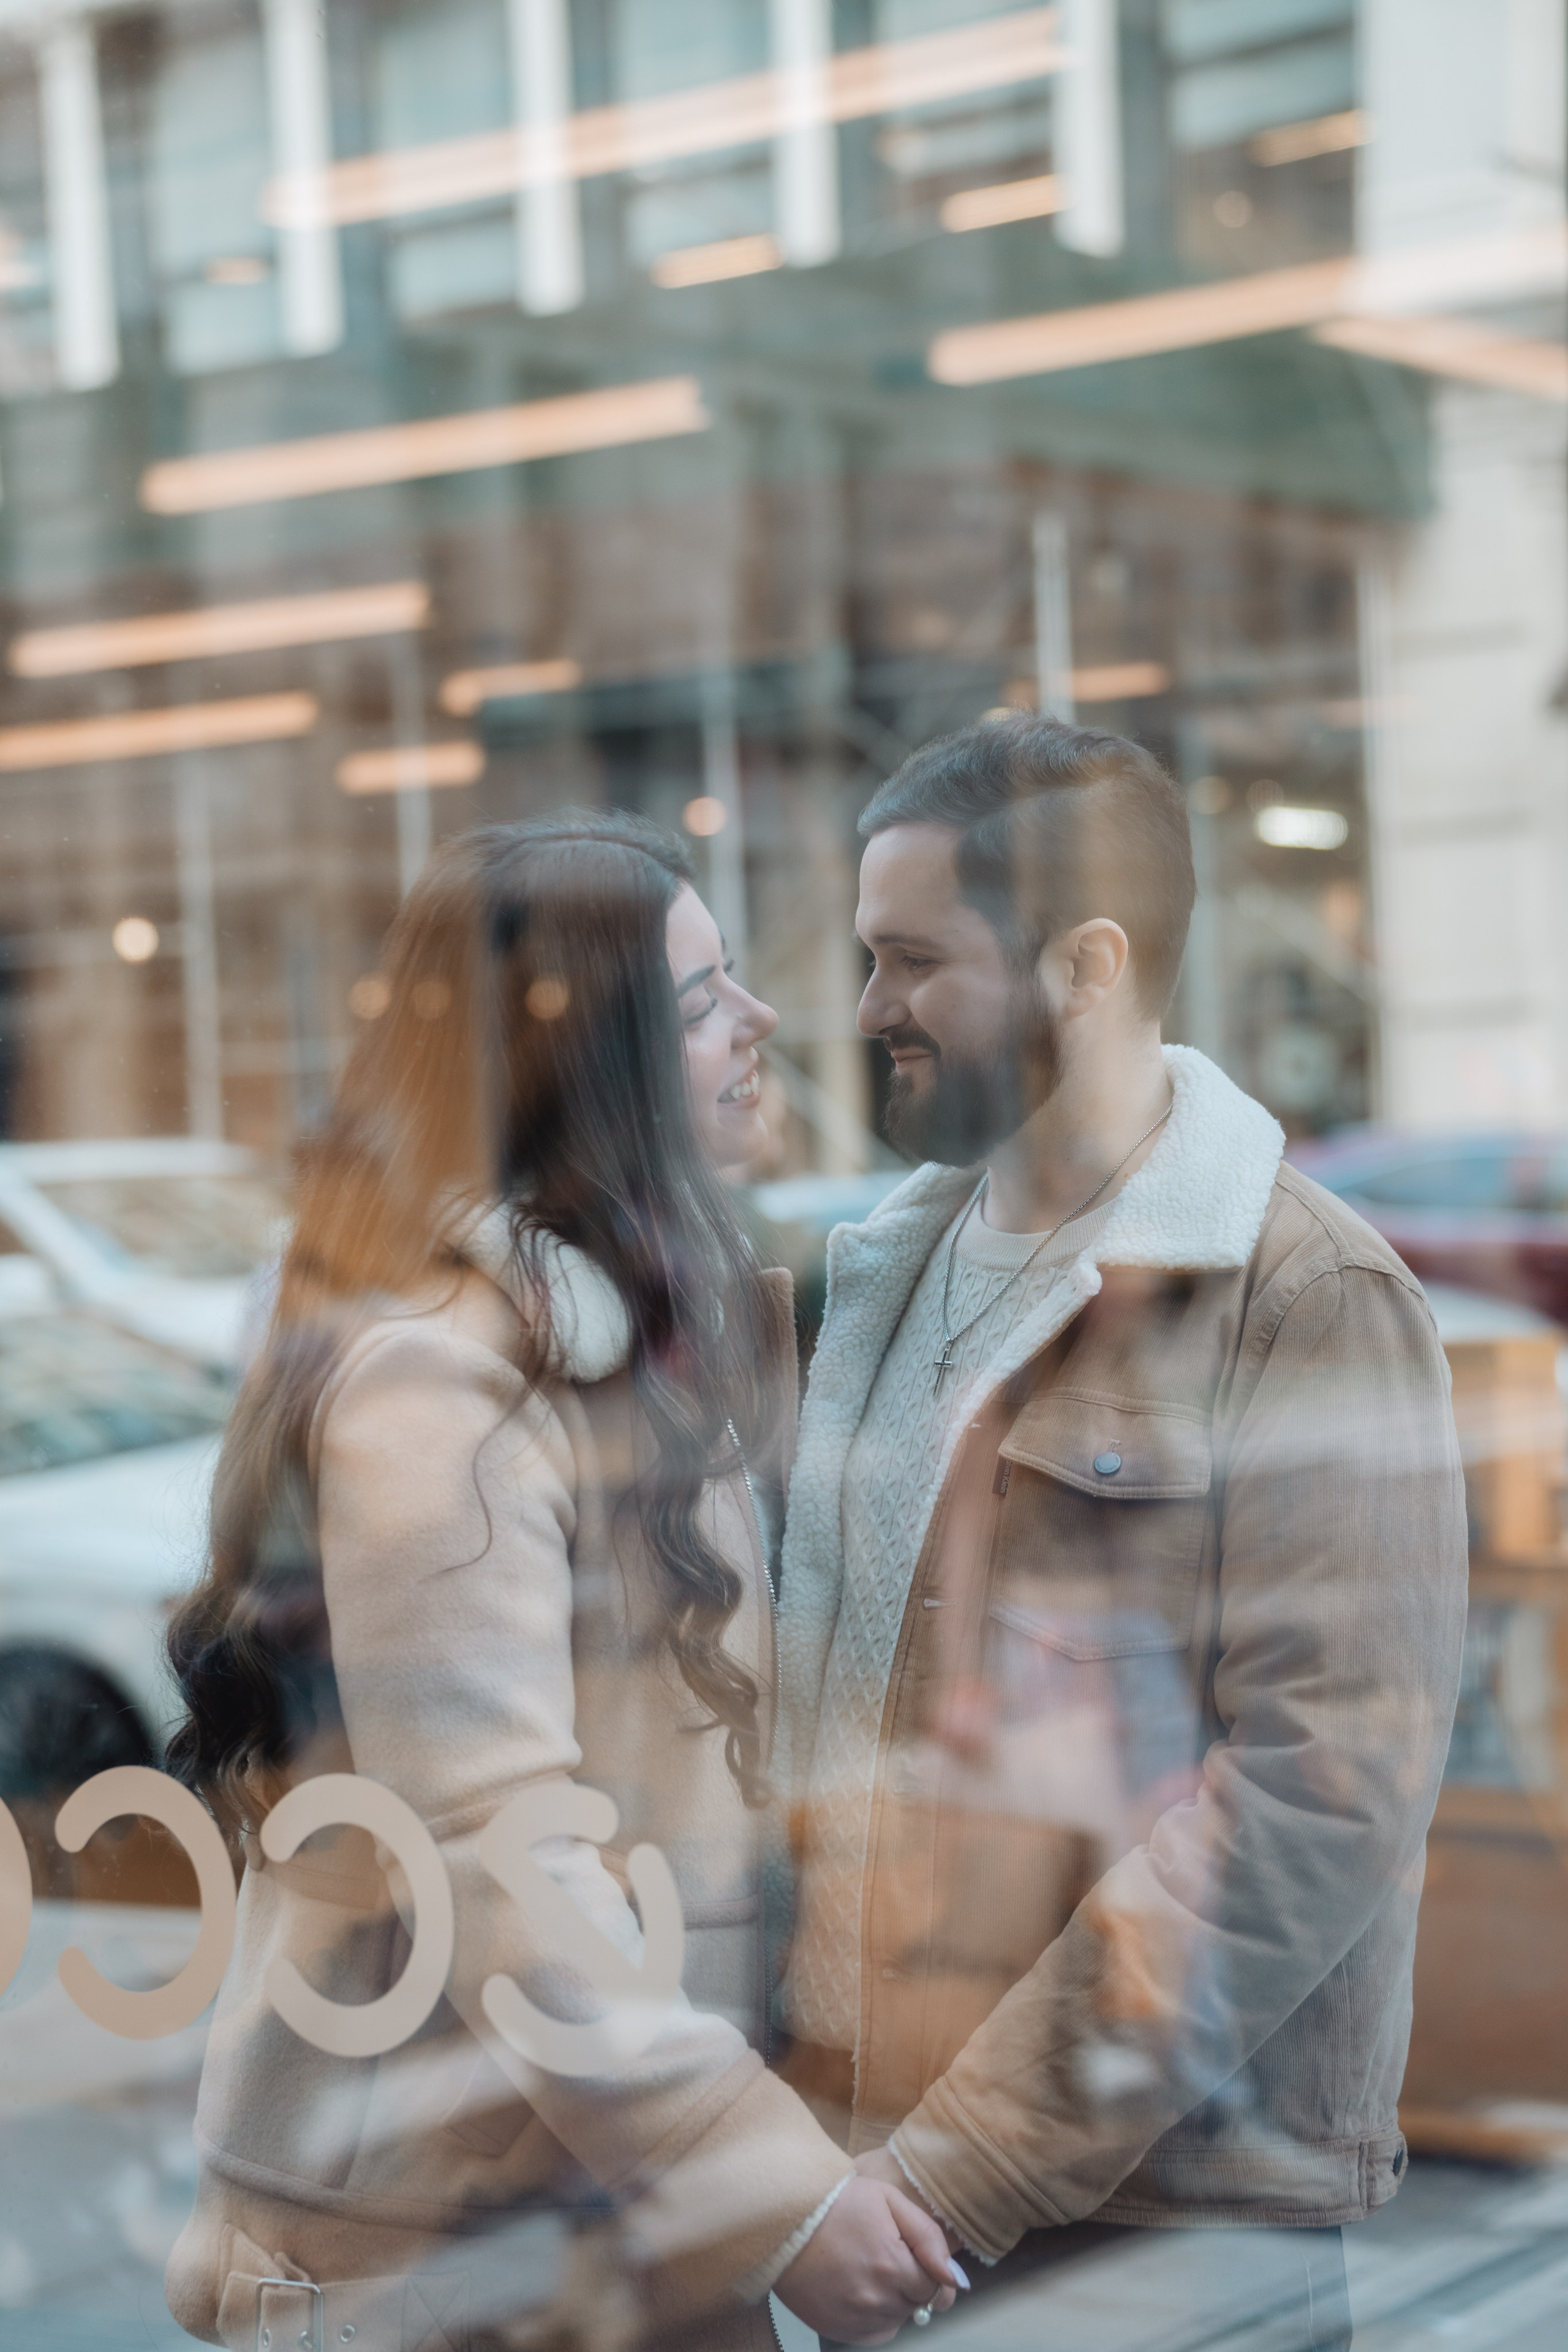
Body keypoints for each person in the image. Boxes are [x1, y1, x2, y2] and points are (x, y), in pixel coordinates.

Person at [161, 812, 961, 2352]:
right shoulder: (441, 1391)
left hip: (594, 2228)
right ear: (587, 1061)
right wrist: (778, 2198)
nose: (764, 1021)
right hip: (443, 2262)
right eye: (702, 996)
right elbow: (494, 1849)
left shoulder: (624, 1348)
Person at [772, 715, 1469, 2348]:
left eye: (911, 959)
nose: (868, 1009)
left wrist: (957, 2174)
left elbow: (1317, 1794)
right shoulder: (886, 1273)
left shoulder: (1304, 1293)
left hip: (1158, 2235)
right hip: (875, 2195)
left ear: (1083, 964)